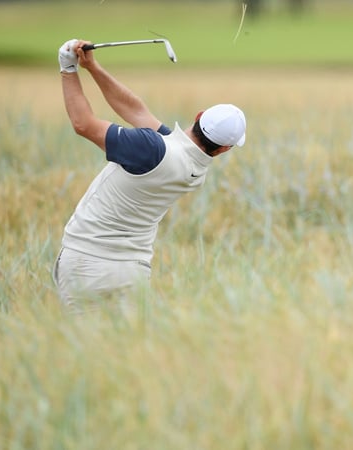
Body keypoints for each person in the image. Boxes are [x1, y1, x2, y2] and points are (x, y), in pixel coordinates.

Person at [53, 39, 247, 314]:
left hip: (88, 263)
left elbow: (83, 124)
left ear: (199, 115)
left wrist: (68, 69)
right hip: (133, 272)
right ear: (224, 149)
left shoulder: (151, 147)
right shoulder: (192, 167)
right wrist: (93, 67)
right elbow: (136, 110)